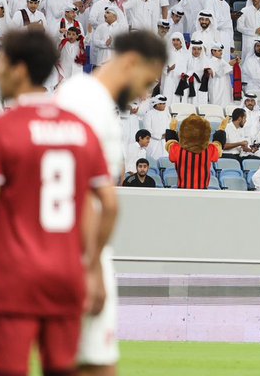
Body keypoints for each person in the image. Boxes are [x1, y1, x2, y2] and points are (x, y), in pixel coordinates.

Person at [0, 28, 118, 376]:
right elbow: (107, 203)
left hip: (14, 276)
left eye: (1, 62)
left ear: (18, 70)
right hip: (66, 274)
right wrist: (92, 267)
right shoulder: (81, 129)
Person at [55, 29, 168, 376]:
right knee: (95, 363)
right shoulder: (88, 102)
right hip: (77, 246)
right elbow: (81, 191)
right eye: (147, 81)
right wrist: (90, 266)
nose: (145, 93)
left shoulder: (86, 98)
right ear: (131, 63)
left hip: (77, 243)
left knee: (85, 361)